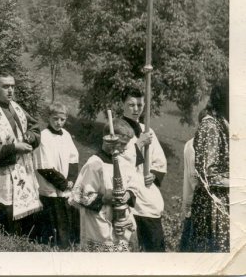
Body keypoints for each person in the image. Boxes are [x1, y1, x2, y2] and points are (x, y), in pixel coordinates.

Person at [0, 69, 42, 235]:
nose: (11, 90)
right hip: (3, 176)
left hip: (23, 172)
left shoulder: (15, 107)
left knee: (26, 226)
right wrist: (14, 148)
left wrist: (29, 137)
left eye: (12, 86)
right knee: (7, 224)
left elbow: (34, 128)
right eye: (5, 86)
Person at [69, 119, 139, 252]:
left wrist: (128, 194)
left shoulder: (123, 162)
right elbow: (81, 195)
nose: (125, 148)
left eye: (127, 144)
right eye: (122, 144)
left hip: (121, 218)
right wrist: (105, 198)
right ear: (108, 140)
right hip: (99, 221)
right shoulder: (94, 164)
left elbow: (133, 183)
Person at [119, 86, 166, 252]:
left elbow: (159, 160)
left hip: (147, 192)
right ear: (122, 104)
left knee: (155, 246)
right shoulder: (118, 130)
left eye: (139, 105)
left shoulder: (148, 130)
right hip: (129, 193)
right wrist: (139, 145)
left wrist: (153, 174)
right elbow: (121, 162)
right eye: (131, 105)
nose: (136, 109)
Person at [33, 102, 80, 248]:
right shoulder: (43, 136)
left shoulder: (66, 135)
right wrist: (63, 183)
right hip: (51, 186)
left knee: (67, 219)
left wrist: (71, 179)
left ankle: (68, 245)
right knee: (53, 221)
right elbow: (43, 166)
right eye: (55, 119)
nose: (59, 122)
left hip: (66, 186)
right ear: (48, 117)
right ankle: (51, 246)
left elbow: (73, 158)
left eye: (62, 119)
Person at [190, 80, 229, 252]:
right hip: (212, 206)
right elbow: (206, 175)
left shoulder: (223, 124)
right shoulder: (210, 127)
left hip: (223, 203)